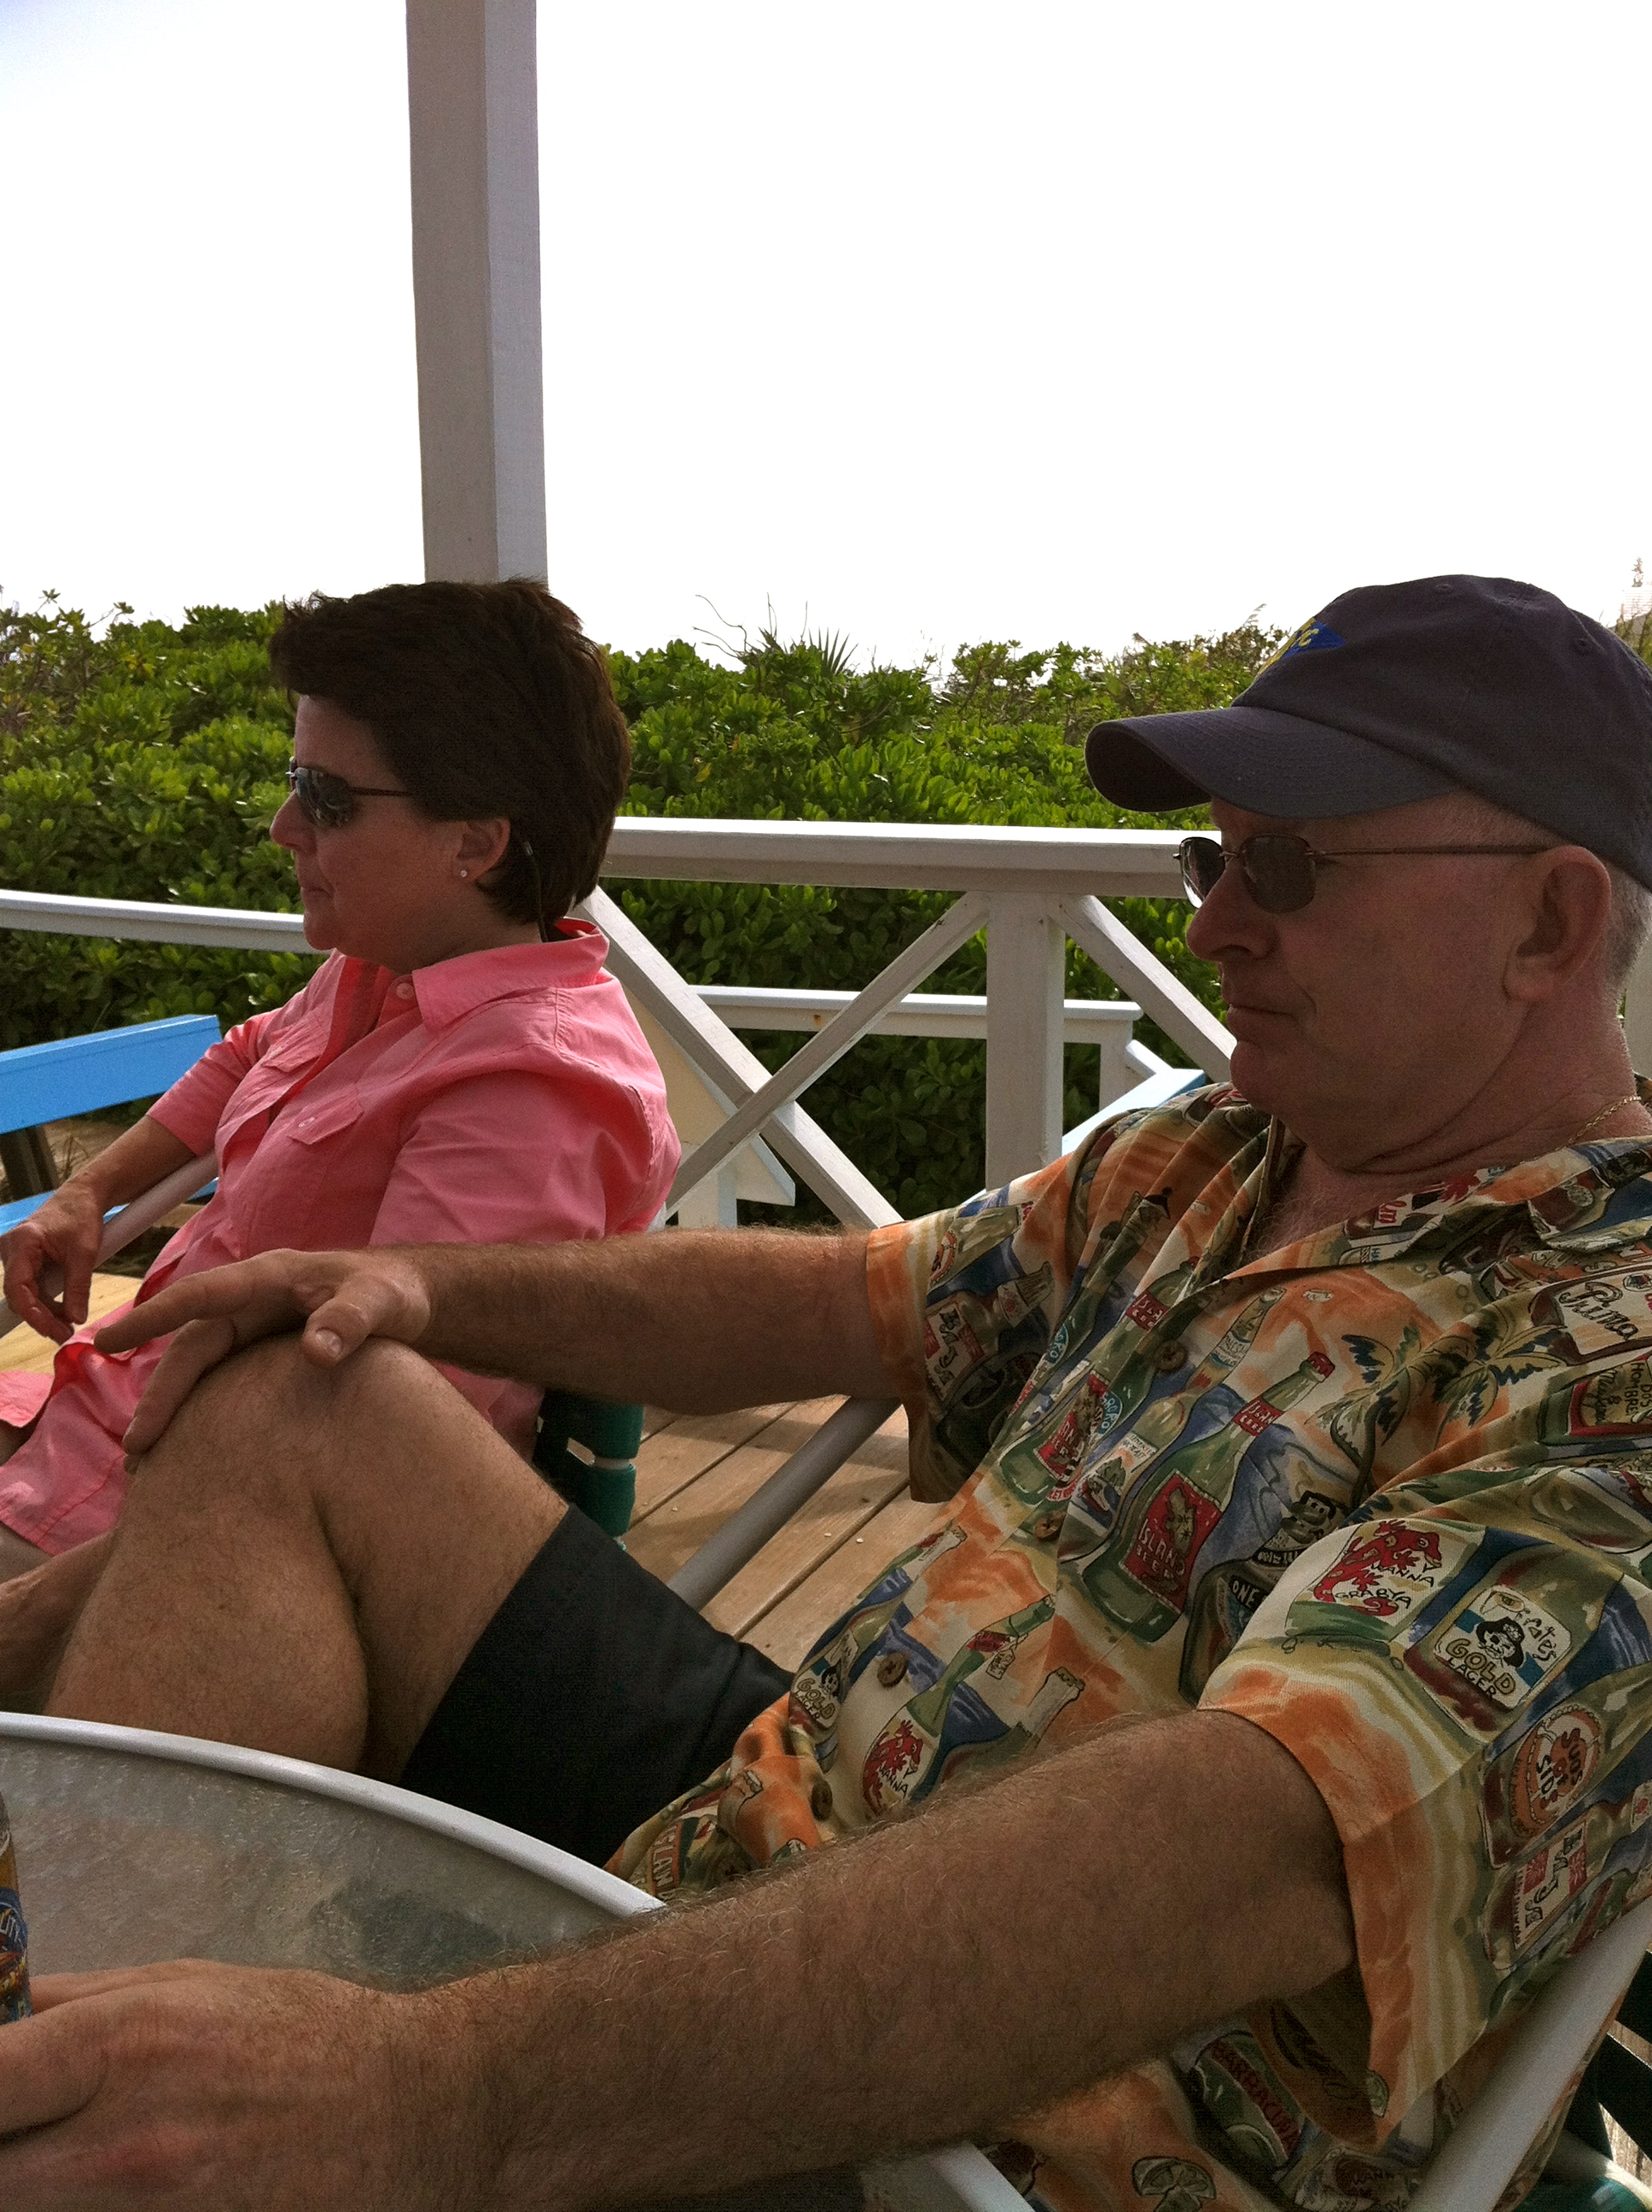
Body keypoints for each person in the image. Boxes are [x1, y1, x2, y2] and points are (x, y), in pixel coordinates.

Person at [2, 573, 1651, 2212]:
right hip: (779, 1804)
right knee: (294, 1389)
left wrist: (434, 2090)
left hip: (999, 2114)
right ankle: (75, 2073)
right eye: (1213, 862)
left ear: (1548, 924)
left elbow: (1254, 1853)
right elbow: (845, 1295)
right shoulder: (1213, 1155)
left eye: (1286, 868)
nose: (1214, 926)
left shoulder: (1607, 1348)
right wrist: (422, 1284)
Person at [0, 579, 677, 1576]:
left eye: (326, 798)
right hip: (81, 1415)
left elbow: (377, 1421)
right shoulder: (378, 970)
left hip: (167, 1533)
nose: (284, 825)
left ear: (475, 843)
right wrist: (87, 1194)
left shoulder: (528, 1090)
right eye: (295, 780)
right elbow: (246, 1056)